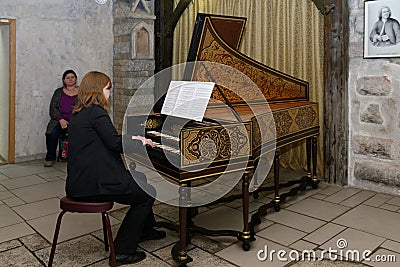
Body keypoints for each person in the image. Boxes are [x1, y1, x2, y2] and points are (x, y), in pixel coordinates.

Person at [65, 71, 165, 266]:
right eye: (108, 89)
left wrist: (133, 139)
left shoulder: (81, 112)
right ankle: (122, 251)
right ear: (97, 91)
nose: (110, 94)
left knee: (140, 180)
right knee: (148, 193)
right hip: (93, 184)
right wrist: (141, 141)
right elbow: (115, 144)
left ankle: (144, 229)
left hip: (80, 181)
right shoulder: (96, 112)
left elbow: (107, 140)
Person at [44, 69, 79, 167]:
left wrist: (74, 120)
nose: (70, 79)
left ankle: (78, 157)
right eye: (68, 78)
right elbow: (53, 108)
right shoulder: (58, 92)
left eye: (72, 77)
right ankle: (50, 157)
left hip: (76, 120)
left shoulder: (82, 92)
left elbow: (85, 107)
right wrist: (61, 119)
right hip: (59, 120)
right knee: (51, 133)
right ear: (64, 80)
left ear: (76, 79)